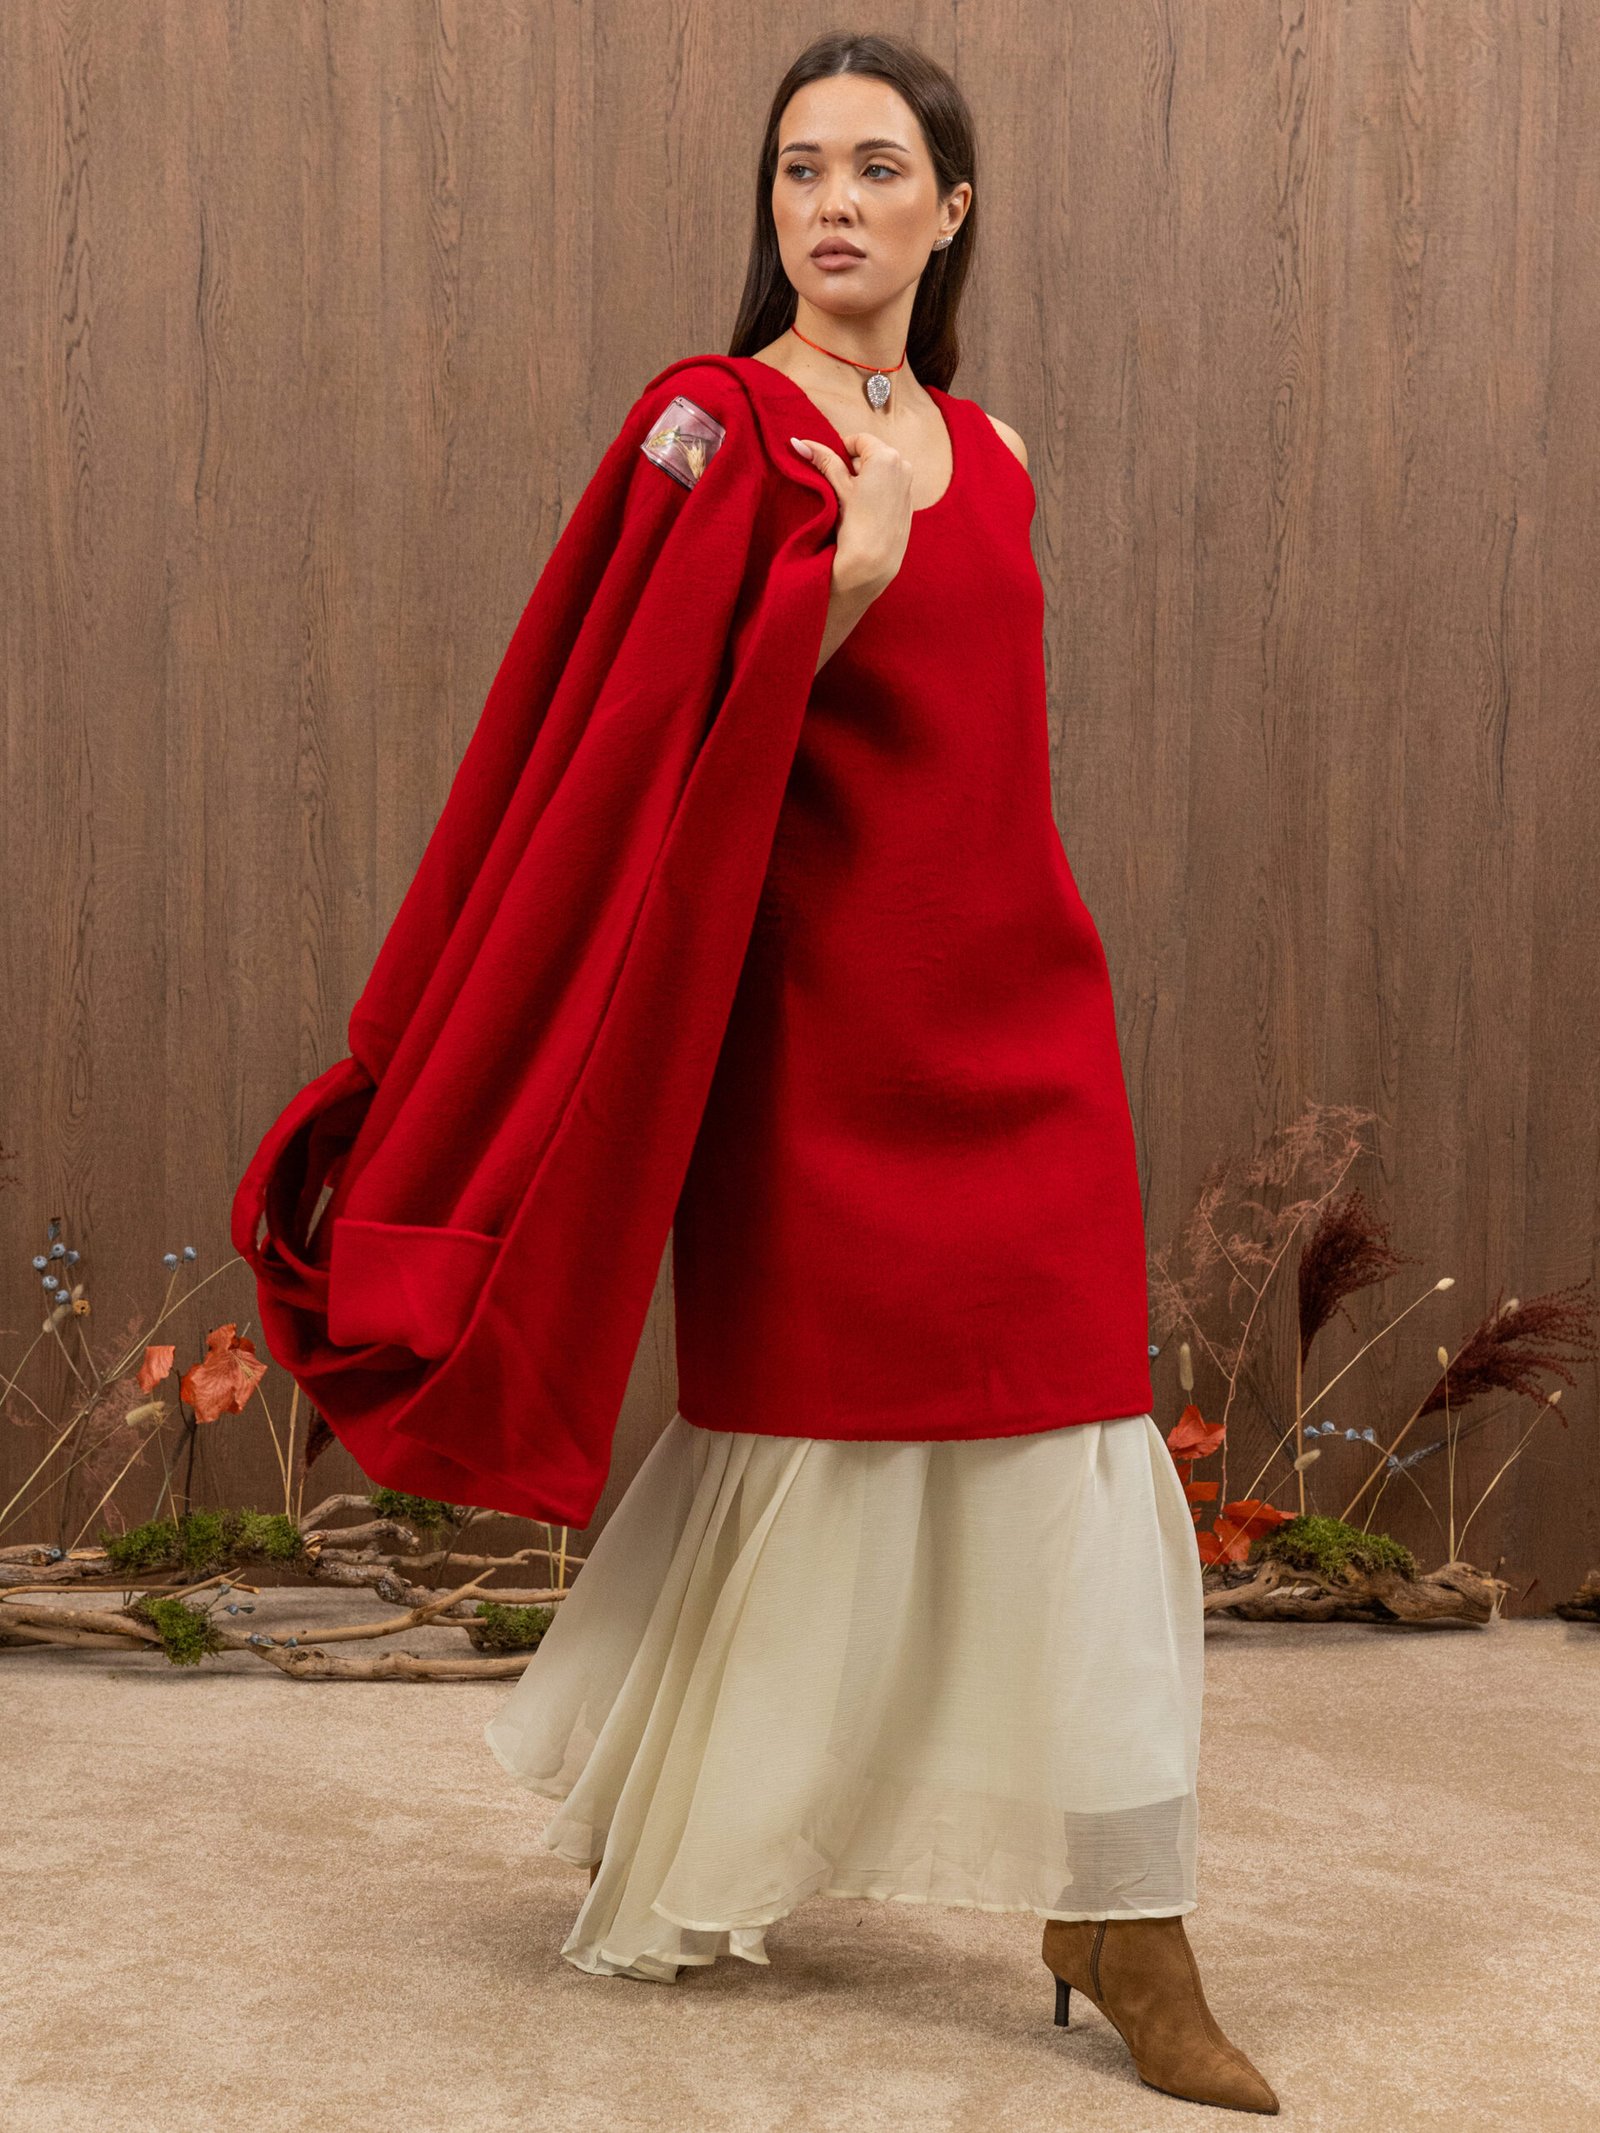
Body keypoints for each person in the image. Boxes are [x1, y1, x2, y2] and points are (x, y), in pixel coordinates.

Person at [483, 30, 1279, 2118]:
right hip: (808, 1035)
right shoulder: (708, 421)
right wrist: (823, 600)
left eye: (874, 167)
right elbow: (622, 739)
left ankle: (1120, 1911)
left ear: (952, 208)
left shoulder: (994, 447)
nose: (830, 202)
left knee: (1082, 1440)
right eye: (797, 170)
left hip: (1022, 1010)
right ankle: (699, 1826)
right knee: (815, 1443)